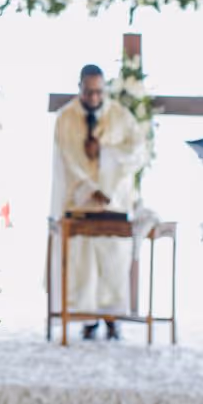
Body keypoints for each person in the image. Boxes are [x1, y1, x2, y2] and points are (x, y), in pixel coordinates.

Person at [48, 64, 148, 340]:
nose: (94, 97)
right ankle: (86, 317)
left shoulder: (121, 116)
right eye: (88, 91)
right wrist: (90, 189)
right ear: (79, 88)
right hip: (81, 202)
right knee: (83, 264)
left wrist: (105, 155)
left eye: (99, 92)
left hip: (113, 202)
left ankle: (112, 317)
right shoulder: (65, 118)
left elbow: (137, 152)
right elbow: (66, 160)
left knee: (114, 260)